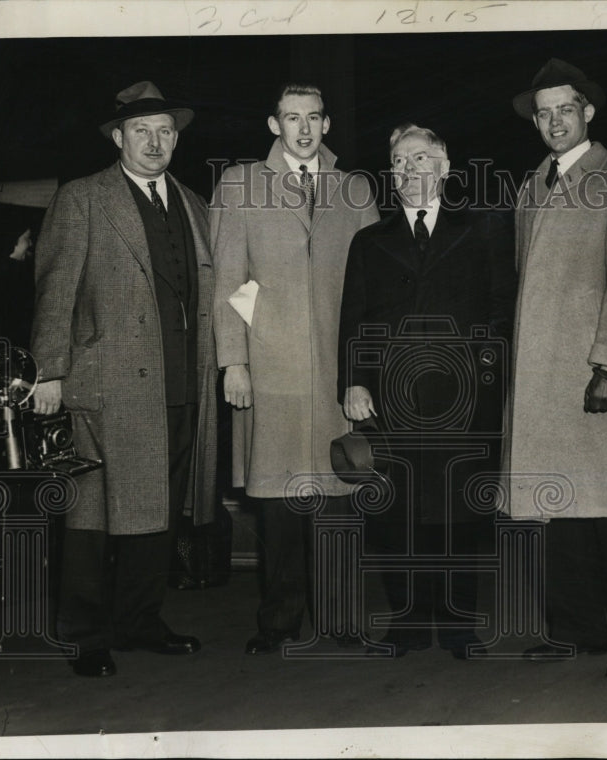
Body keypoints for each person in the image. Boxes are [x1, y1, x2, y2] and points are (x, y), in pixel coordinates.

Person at [31, 81, 218, 677]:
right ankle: (85, 635)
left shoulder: (192, 201)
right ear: (118, 138)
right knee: (93, 516)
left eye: (166, 131)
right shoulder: (83, 197)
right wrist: (50, 372)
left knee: (156, 512)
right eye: (143, 131)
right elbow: (55, 289)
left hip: (180, 385)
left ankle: (141, 621)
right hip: (106, 386)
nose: (156, 141)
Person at [504, 58, 607, 678]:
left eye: (565, 109)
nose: (553, 121)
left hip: (597, 374)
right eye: (544, 113)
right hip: (542, 378)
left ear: (588, 112)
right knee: (559, 510)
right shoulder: (530, 184)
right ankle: (575, 630)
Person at [210, 83, 379, 655]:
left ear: (327, 125)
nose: (303, 129)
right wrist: (234, 361)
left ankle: (341, 620)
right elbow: (230, 283)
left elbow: (372, 290)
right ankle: (278, 622)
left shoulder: (354, 189)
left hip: (337, 373)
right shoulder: (240, 184)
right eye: (291, 118)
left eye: (313, 118)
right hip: (272, 367)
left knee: (338, 491)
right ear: (273, 123)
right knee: (281, 502)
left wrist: (366, 369)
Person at [337, 123, 517, 658]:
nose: (408, 170)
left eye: (419, 158)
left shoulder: (483, 229)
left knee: (461, 513)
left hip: (464, 401)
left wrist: (482, 374)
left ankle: (460, 625)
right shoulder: (369, 241)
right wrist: (353, 381)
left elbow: (500, 311)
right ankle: (409, 623)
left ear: (444, 167)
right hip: (390, 403)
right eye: (398, 161)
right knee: (397, 513)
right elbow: (354, 316)